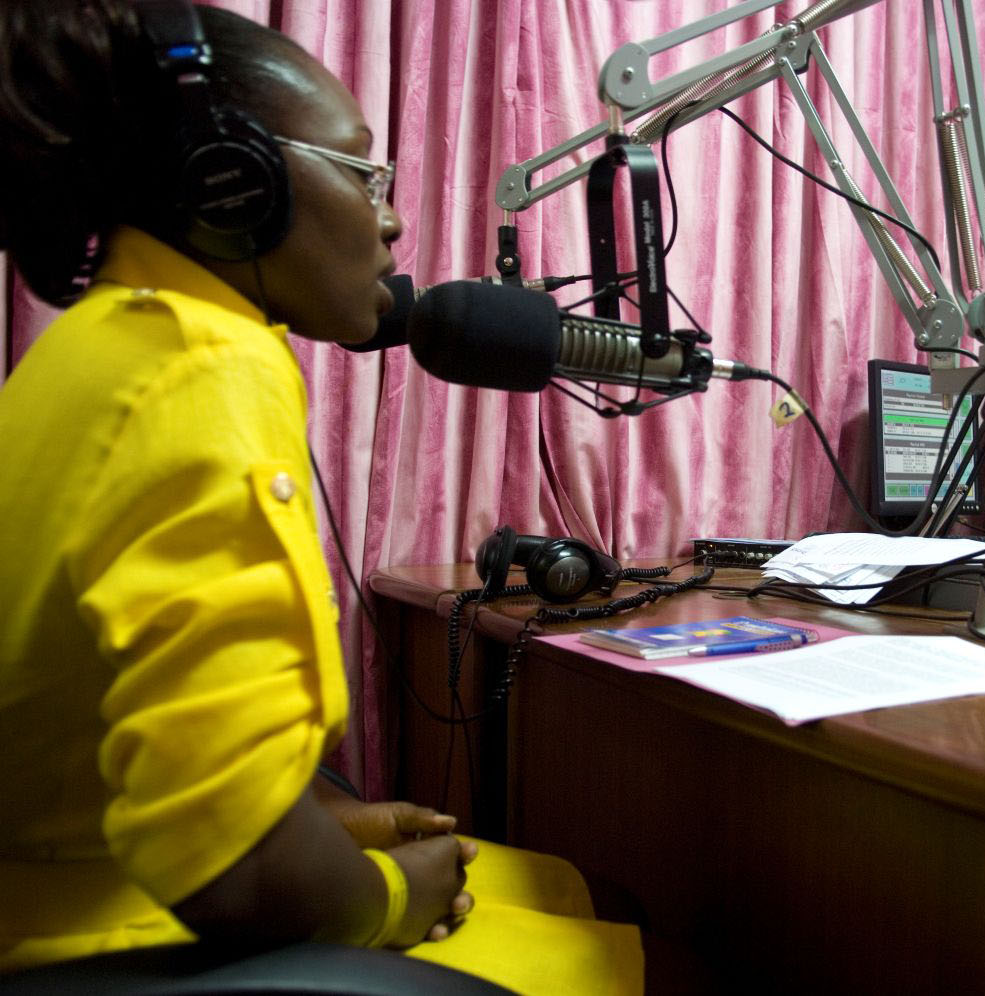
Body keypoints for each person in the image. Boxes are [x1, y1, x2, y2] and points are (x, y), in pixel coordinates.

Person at [0, 2, 641, 992]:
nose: (389, 217)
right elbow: (230, 863)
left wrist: (327, 826)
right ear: (231, 184)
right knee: (602, 942)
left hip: (77, 882)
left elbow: (131, 728)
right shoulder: (202, 368)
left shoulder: (98, 345)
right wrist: (387, 896)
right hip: (101, 939)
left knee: (553, 883)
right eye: (362, 172)